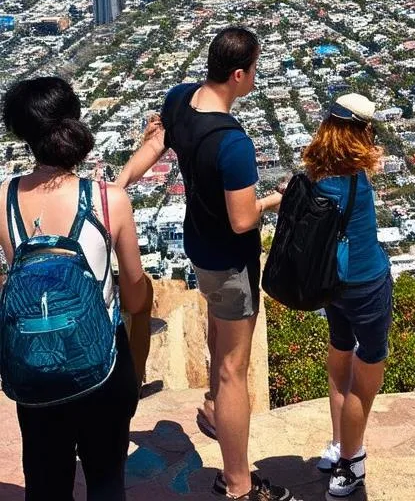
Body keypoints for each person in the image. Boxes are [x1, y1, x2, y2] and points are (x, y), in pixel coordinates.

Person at [118, 25, 288, 501]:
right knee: (235, 365)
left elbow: (154, 147)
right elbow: (241, 220)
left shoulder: (179, 99)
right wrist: (275, 198)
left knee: (218, 331)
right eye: (253, 69)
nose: (255, 76)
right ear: (237, 74)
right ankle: (238, 483)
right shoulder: (233, 143)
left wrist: (120, 182)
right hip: (231, 263)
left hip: (199, 249)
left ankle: (215, 408)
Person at [0, 76, 150, 501]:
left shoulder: (3, 198)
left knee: (46, 483)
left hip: (35, 364)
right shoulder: (108, 200)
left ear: (23, 135)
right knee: (105, 481)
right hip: (102, 363)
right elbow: (136, 297)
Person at [302, 93, 393, 498]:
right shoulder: (359, 177)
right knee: (365, 376)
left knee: (340, 353)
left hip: (330, 285)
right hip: (367, 282)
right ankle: (351, 463)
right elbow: (371, 159)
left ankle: (339, 444)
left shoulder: (314, 174)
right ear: (361, 132)